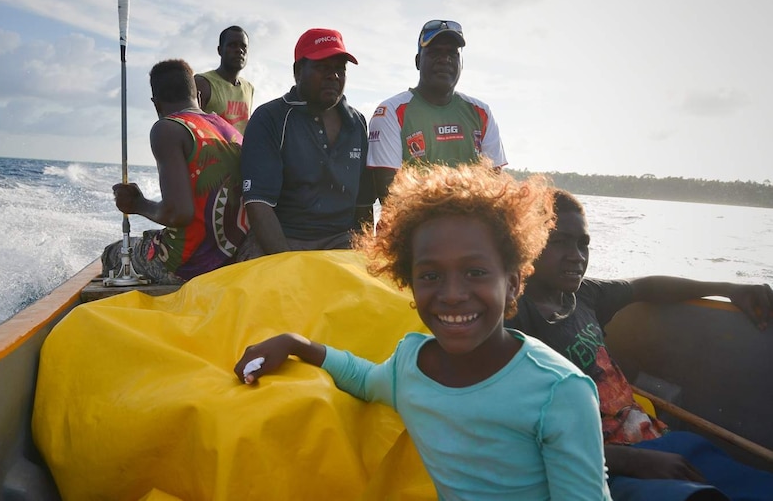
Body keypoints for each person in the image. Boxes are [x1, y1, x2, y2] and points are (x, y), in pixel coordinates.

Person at [234, 163, 612, 500]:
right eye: (430, 276)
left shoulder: (560, 393)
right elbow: (364, 379)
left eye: (475, 272)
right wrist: (294, 343)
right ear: (408, 282)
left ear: (513, 283)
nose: (451, 295)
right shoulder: (412, 365)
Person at [507, 189, 773, 501]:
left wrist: (727, 287)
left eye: (583, 244)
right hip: (598, 466)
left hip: (651, 438)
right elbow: (519, 435)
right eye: (559, 241)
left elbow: (645, 286)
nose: (577, 255)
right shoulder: (513, 321)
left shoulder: (586, 295)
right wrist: (629, 460)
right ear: (524, 243)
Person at [101, 59, 248, 284]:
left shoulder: (168, 128)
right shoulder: (230, 131)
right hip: (232, 258)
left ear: (156, 104)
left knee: (111, 254)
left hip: (188, 264)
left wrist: (137, 205)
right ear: (198, 96)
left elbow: (178, 213)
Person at [237, 28, 375, 261]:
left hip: (341, 241)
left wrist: (366, 258)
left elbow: (364, 204)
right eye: (322, 67)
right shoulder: (271, 118)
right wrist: (290, 265)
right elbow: (258, 204)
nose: (334, 76)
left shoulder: (357, 123)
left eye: (339, 69)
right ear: (298, 71)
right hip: (283, 240)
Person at [367, 19, 507, 202]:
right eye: (434, 53)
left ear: (461, 63)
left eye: (452, 53)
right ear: (418, 61)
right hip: (409, 229)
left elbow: (494, 188)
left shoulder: (482, 112)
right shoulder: (390, 112)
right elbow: (390, 194)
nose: (445, 59)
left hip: (469, 226)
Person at [194, 25, 254, 134]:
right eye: (232, 45)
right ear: (220, 50)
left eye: (243, 46)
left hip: (241, 151)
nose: (239, 50)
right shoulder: (203, 83)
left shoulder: (248, 88)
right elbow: (190, 125)